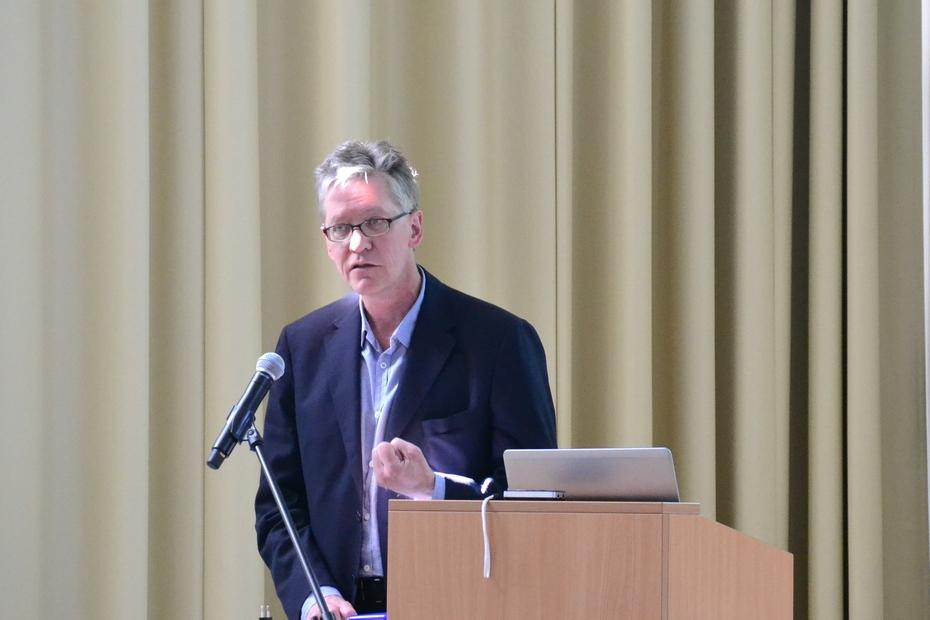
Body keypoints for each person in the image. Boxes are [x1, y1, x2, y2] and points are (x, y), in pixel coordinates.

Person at [255, 140, 557, 620]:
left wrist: (432, 487)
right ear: (327, 241)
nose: (358, 244)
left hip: (455, 603)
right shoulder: (302, 346)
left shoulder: (498, 342)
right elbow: (279, 507)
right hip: (339, 609)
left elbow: (532, 502)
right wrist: (316, 595)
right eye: (341, 229)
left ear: (414, 227)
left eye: (375, 222)